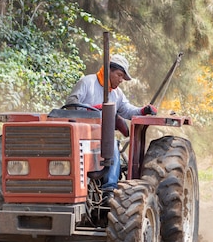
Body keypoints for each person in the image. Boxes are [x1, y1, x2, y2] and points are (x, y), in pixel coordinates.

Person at [66, 54, 157, 201]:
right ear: (109, 71)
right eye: (119, 75)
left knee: (113, 144)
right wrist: (90, 109)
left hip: (103, 136)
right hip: (83, 134)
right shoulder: (87, 82)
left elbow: (126, 110)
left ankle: (109, 188)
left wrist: (142, 110)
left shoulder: (117, 94)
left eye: (123, 77)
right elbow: (71, 103)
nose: (121, 80)